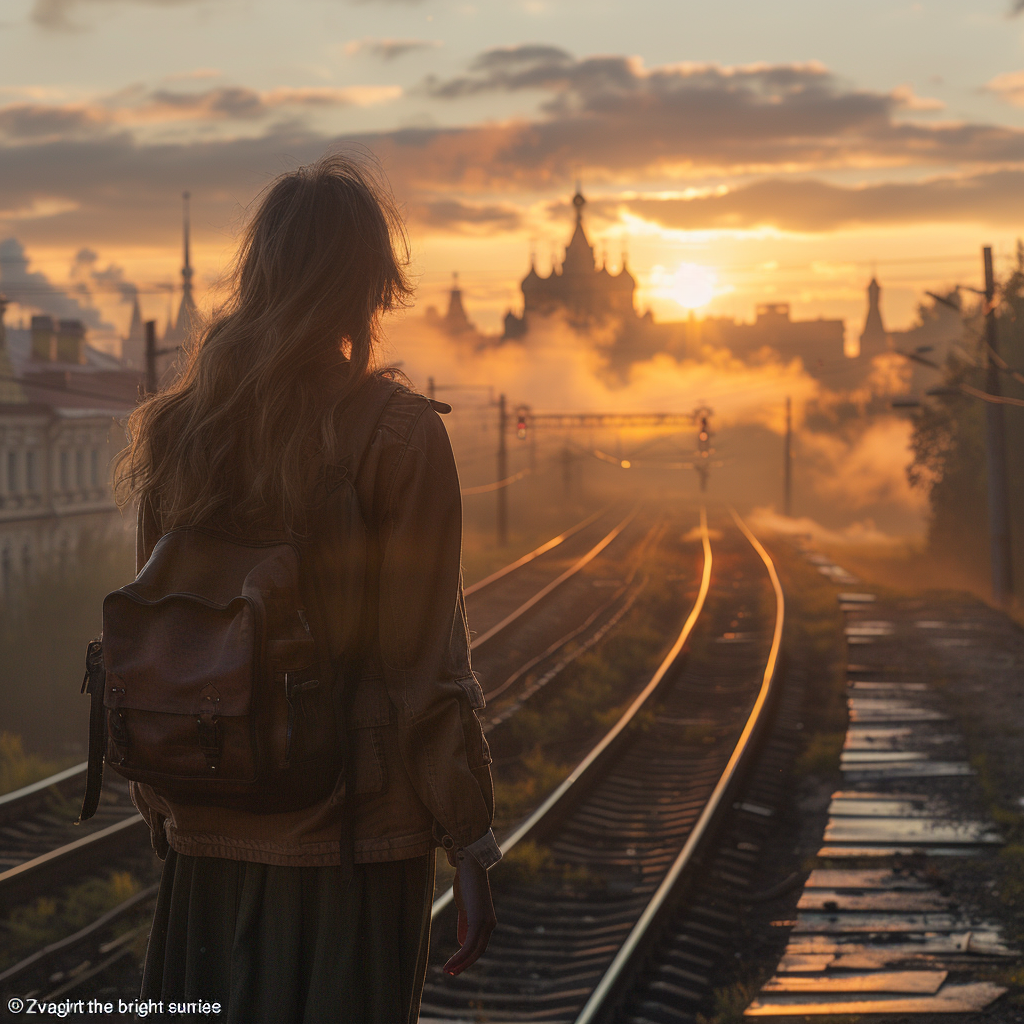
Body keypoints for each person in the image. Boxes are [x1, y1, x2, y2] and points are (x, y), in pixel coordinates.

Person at [112, 153, 499, 1023]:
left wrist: (164, 809)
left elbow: (159, 631)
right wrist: (470, 839)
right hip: (350, 845)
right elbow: (421, 672)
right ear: (370, 286)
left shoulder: (179, 430)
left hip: (207, 834)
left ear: (259, 277)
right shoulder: (399, 437)